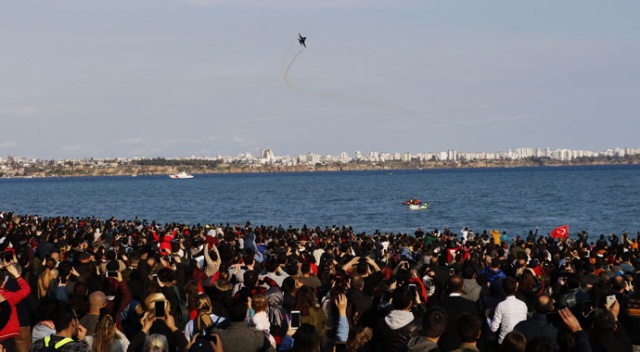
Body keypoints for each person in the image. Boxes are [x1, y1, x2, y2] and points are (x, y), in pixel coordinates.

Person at [0, 262, 32, 350]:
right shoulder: (8, 296)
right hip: (7, 336)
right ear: (3, 282)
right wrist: (17, 276)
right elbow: (26, 290)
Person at [488, 277, 528, 345]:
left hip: (504, 342)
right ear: (516, 288)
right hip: (519, 342)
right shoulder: (523, 305)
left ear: (502, 289)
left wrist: (488, 318)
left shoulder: (501, 305)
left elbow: (493, 328)